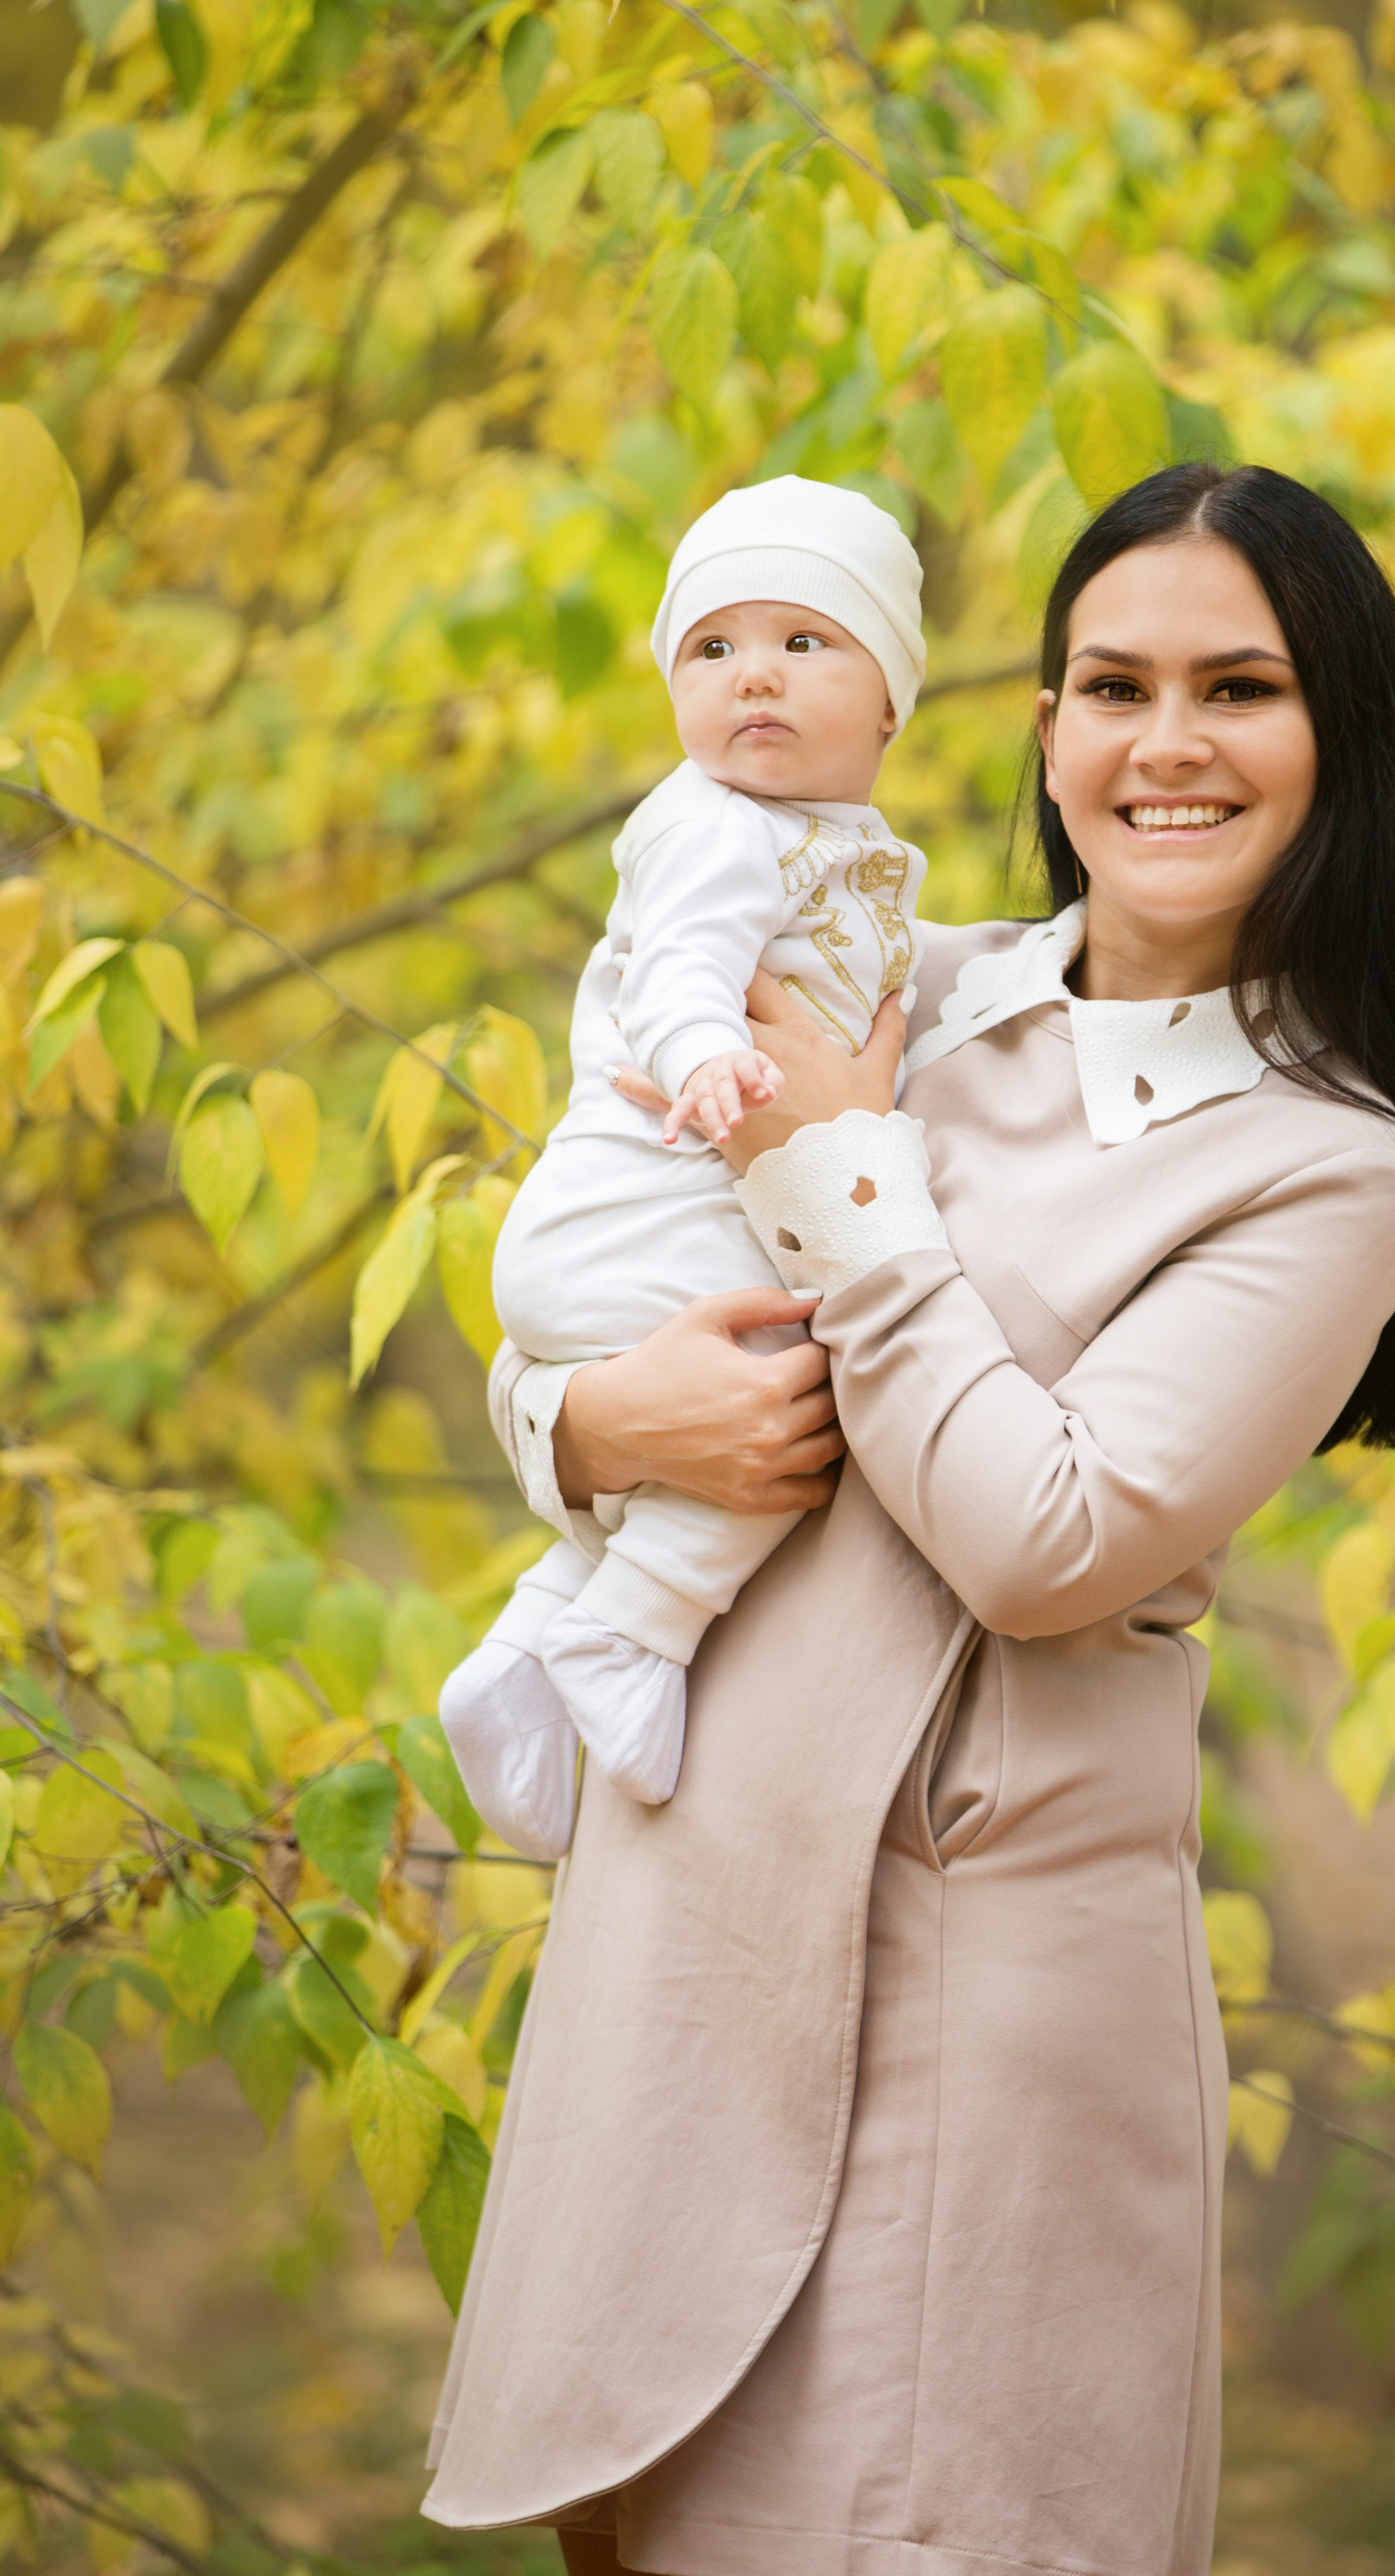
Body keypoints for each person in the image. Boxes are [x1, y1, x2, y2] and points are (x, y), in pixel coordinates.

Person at [423, 462, 1395, 2576]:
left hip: (973, 2011)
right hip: (688, 1938)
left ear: (1345, 740)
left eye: (1242, 688)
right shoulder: (899, 983)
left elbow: (1045, 1542)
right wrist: (582, 1427)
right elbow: (613, 1261)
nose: (1168, 744)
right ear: (1040, 736)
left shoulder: (1324, 1164)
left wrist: (851, 1175)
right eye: (1113, 684)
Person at [437, 478, 927, 1852]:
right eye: (711, 650)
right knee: (802, 1369)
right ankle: (639, 1634)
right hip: (643, 1207)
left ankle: (531, 1646)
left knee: (712, 1422)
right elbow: (685, 964)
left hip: (617, 1237)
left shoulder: (842, 851)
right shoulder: (716, 825)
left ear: (892, 700)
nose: (752, 674)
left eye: (804, 642)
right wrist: (711, 1053)